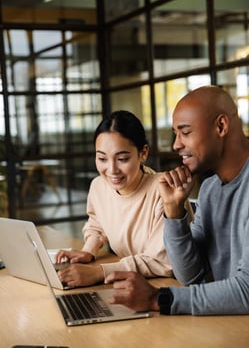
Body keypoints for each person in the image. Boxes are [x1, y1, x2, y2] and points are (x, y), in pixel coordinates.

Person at [105, 85, 249, 315]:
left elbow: (247, 292)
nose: (176, 145)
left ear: (221, 126)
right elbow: (190, 274)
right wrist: (173, 210)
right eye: (175, 134)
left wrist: (158, 299)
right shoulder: (211, 188)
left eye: (185, 132)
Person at [55, 110, 173, 287]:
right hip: (132, 282)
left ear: (143, 153)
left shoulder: (164, 190)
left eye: (122, 159)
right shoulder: (99, 186)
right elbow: (98, 223)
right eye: (102, 158)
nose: (112, 170)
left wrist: (99, 272)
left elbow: (160, 261)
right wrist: (88, 250)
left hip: (167, 286)